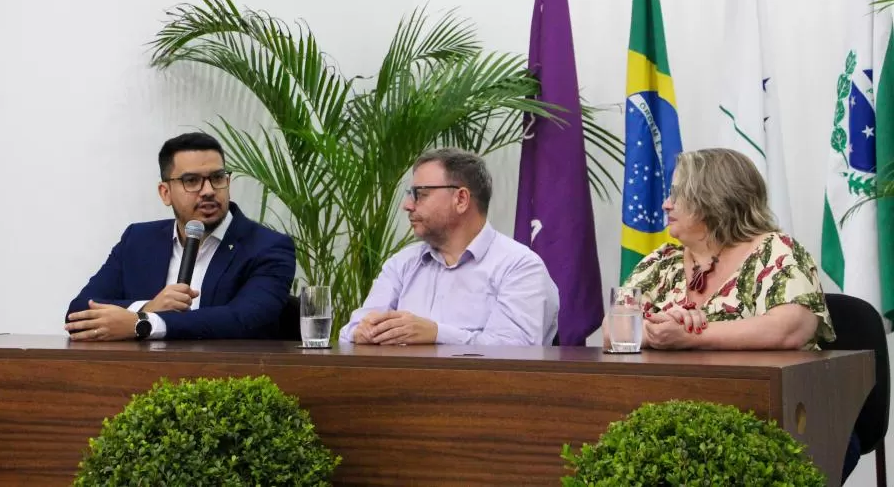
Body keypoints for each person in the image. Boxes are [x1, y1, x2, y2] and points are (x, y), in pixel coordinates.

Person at [65, 132, 295, 341]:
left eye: (217, 177)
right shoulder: (138, 240)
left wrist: (144, 323)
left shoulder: (268, 247)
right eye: (191, 181)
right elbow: (78, 313)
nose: (208, 191)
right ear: (165, 193)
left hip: (227, 379)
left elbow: (246, 319)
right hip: (141, 376)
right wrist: (149, 307)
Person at [605, 148, 834, 352]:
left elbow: (791, 329)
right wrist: (660, 331)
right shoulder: (662, 261)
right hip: (671, 393)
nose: (666, 204)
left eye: (676, 194)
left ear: (713, 200)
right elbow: (611, 331)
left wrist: (690, 335)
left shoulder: (775, 251)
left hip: (759, 393)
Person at [339, 148, 559, 346]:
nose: (407, 205)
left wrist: (435, 334)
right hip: (399, 388)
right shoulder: (402, 264)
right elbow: (351, 331)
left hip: (484, 390)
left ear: (461, 199)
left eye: (420, 194)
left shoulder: (520, 267)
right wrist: (362, 332)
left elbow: (514, 349)